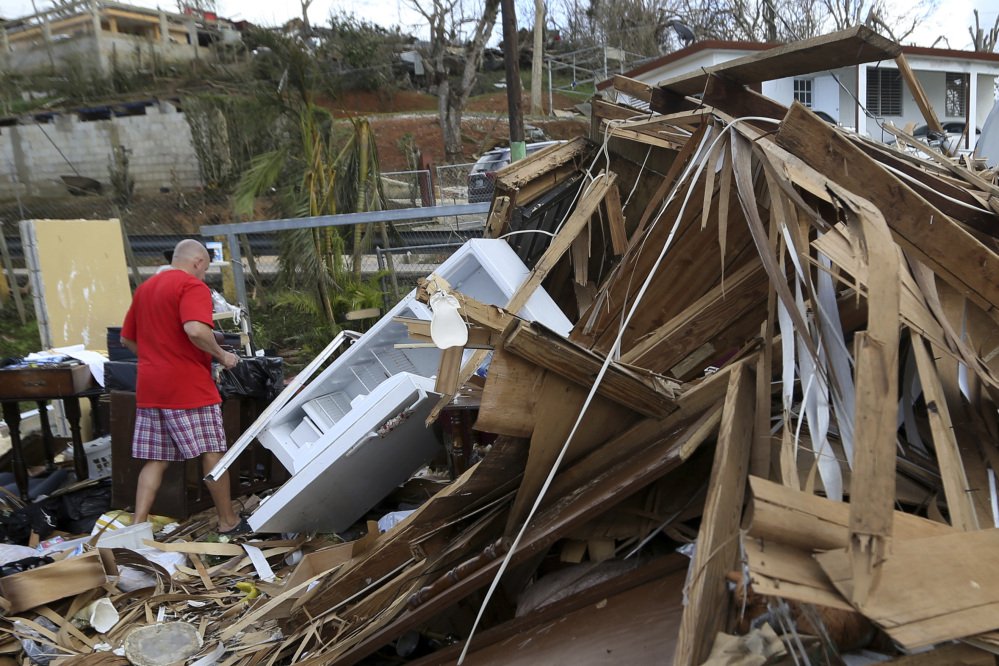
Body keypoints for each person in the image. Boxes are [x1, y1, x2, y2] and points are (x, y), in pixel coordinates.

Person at [120, 239, 250, 535]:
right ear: (198, 263)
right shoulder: (192, 287)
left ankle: (136, 526)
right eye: (205, 269)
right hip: (188, 387)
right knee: (213, 451)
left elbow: (126, 339)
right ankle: (228, 521)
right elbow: (195, 329)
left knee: (157, 458)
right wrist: (223, 356)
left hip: (151, 389)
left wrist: (155, 357)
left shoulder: (145, 289)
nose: (204, 275)